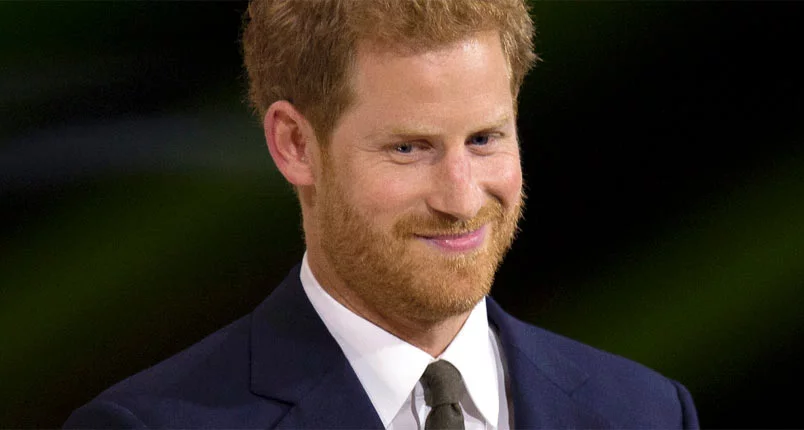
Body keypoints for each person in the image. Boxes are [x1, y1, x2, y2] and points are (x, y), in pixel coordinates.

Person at [65, 0, 699, 428]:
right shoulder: (150, 425)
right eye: (408, 148)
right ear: (294, 145)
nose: (460, 197)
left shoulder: (647, 411)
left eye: (484, 138)